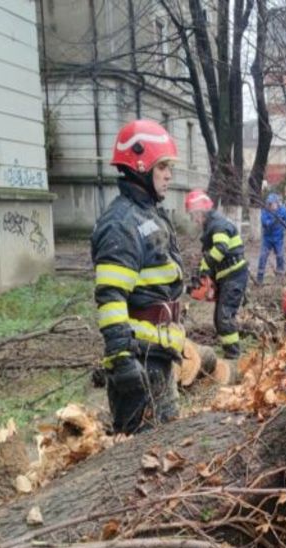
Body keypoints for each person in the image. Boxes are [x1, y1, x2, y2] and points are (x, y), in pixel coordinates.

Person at [91, 119, 185, 434]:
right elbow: (111, 296)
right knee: (140, 463)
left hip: (158, 355)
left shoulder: (150, 214)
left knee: (169, 452)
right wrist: (120, 359)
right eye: (162, 166)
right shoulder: (121, 223)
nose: (169, 174)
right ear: (140, 166)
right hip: (138, 361)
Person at [185, 190, 248, 359]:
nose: (193, 220)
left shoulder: (218, 225)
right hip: (225, 276)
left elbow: (221, 248)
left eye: (193, 215)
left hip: (234, 275)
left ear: (200, 212)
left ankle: (234, 355)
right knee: (218, 317)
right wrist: (205, 275)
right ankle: (229, 350)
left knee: (224, 316)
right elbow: (211, 256)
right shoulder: (210, 228)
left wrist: (206, 269)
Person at [257, 193, 286, 285]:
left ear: (277, 203)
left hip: (278, 239)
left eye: (274, 203)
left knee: (280, 256)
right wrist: (274, 221)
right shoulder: (265, 211)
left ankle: (279, 279)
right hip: (267, 239)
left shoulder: (282, 211)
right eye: (270, 204)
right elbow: (265, 223)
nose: (272, 206)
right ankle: (259, 279)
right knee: (263, 257)